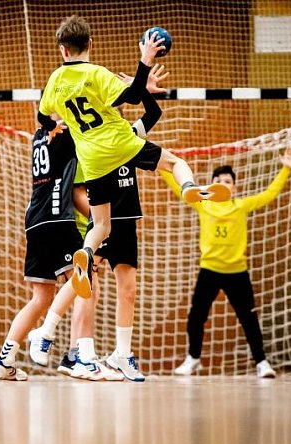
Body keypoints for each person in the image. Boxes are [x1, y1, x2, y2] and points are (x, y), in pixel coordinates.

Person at [35, 15, 226, 303]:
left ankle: (84, 256)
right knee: (174, 163)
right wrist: (145, 60)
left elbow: (41, 115)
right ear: (91, 43)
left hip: (92, 158)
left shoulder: (54, 80)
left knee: (100, 226)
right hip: (120, 142)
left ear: (62, 50)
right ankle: (189, 188)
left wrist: (54, 128)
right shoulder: (98, 74)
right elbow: (135, 98)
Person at [55, 65, 168, 382]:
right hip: (103, 221)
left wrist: (141, 84)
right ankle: (55, 334)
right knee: (84, 280)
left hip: (127, 220)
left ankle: (122, 355)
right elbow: (77, 188)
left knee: (128, 290)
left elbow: (155, 110)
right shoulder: (90, 143)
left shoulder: (130, 135)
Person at [163, 147, 291, 379]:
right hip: (209, 271)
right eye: (218, 181)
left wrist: (286, 168)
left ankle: (262, 362)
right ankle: (193, 358)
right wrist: (162, 164)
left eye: (228, 181)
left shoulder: (241, 206)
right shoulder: (203, 203)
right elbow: (178, 187)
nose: (223, 184)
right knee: (196, 316)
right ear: (212, 185)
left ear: (234, 187)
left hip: (237, 272)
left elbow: (269, 193)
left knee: (248, 318)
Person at [0, 120, 84, 380]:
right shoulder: (65, 131)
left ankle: (3, 361)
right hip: (57, 218)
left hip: (34, 220)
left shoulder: (39, 135)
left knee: (41, 299)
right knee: (85, 275)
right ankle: (57, 340)